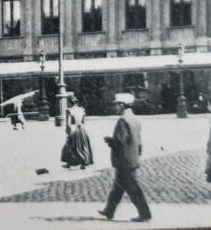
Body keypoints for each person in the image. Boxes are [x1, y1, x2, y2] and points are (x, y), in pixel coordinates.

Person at [97, 93, 152, 223]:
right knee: (118, 187)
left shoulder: (123, 120)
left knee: (133, 188)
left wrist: (110, 141)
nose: (115, 107)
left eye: (116, 104)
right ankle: (109, 210)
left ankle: (145, 213)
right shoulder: (134, 119)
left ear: (122, 105)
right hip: (132, 157)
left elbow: (120, 141)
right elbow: (136, 141)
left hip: (124, 159)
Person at [61, 95, 94, 169]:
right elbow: (83, 121)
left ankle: (69, 163)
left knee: (69, 146)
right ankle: (83, 163)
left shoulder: (69, 110)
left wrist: (68, 131)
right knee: (82, 146)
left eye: (67, 102)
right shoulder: (82, 109)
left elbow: (68, 124)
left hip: (74, 128)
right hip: (82, 129)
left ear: (70, 102)